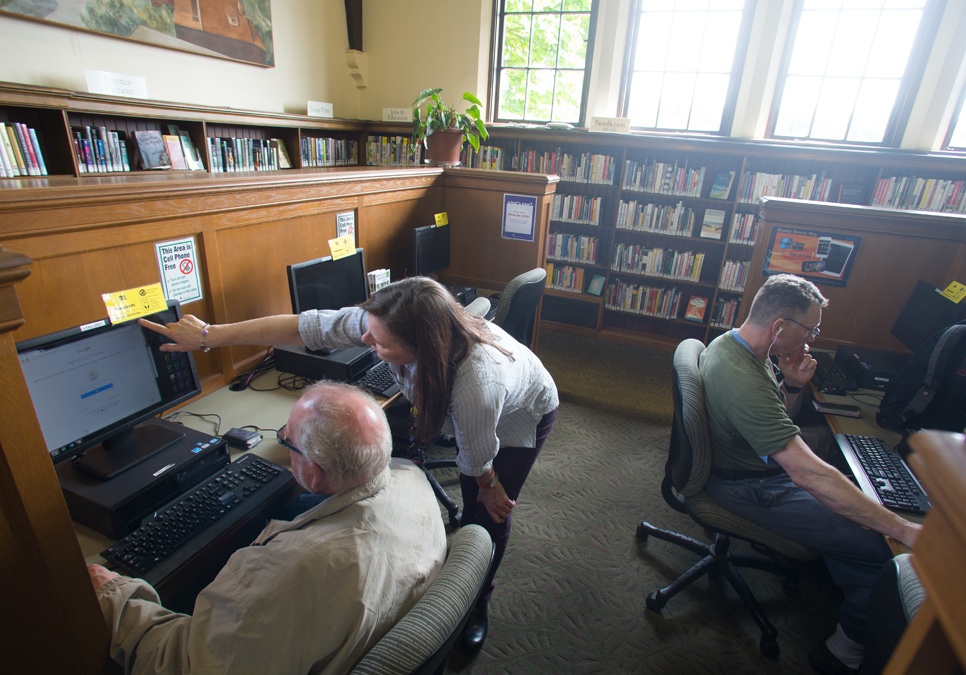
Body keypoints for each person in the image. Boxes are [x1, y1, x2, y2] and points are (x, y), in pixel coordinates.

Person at [139, 275, 559, 655]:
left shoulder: (476, 386)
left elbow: (477, 457)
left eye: (379, 343)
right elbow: (300, 326)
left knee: (485, 511)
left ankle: (476, 601)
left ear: (421, 349)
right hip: (469, 407)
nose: (364, 339)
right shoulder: (387, 321)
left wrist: (489, 483)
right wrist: (210, 335)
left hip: (523, 413)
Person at [88, 381, 447, 675]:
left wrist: (115, 593)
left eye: (286, 440)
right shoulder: (413, 477)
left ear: (314, 473)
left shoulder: (282, 573)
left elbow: (183, 664)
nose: (284, 444)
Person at [698, 273, 922, 675]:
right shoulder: (744, 379)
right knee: (882, 551)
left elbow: (772, 418)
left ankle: (843, 562)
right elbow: (805, 475)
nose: (813, 339)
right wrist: (904, 530)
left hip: (753, 465)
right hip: (750, 486)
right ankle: (843, 650)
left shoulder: (738, 346)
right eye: (811, 329)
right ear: (779, 326)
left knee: (847, 467)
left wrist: (794, 386)